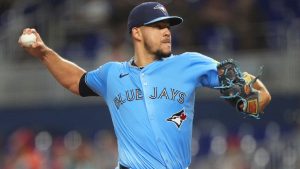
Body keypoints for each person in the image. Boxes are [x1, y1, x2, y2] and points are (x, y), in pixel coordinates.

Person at [18, 2, 271, 169]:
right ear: (137, 33)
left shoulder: (190, 63)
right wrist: (44, 53)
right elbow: (75, 81)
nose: (167, 31)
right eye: (158, 26)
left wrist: (250, 98)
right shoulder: (112, 74)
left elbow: (261, 95)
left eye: (168, 26)